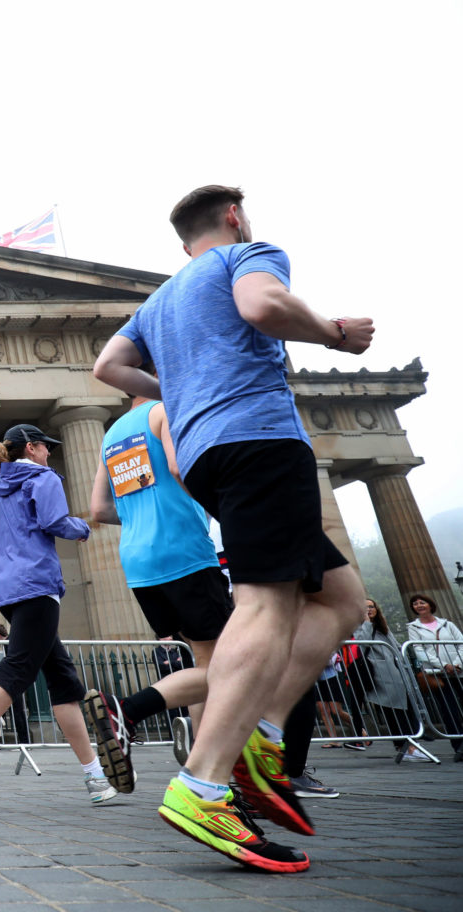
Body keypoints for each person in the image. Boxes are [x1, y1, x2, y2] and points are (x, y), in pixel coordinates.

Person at [92, 185, 373, 872]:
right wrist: (336, 334)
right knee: (266, 603)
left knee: (341, 600)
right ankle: (205, 780)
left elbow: (107, 367)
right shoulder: (246, 255)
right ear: (233, 219)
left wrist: (181, 391)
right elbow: (263, 305)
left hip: (208, 452)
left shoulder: (157, 304)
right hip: (258, 436)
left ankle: (261, 731)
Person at [0, 424, 116, 809]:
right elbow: (55, 521)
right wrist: (81, 528)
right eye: (46, 447)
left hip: (11, 589)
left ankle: (95, 777)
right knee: (18, 667)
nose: (50, 453)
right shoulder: (42, 477)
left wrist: (5, 554)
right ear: (31, 448)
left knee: (63, 680)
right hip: (37, 584)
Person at [83, 390, 233, 792]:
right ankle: (128, 710)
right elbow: (179, 468)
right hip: (183, 550)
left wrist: (138, 519)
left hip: (139, 561)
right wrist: (228, 514)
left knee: (204, 666)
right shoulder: (165, 412)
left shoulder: (111, 433)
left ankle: (205, 772)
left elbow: (98, 509)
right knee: (229, 668)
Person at [355, 598, 423, 762]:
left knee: (407, 710)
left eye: (371, 607)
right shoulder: (357, 627)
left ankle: (411, 746)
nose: (369, 610)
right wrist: (365, 622)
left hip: (398, 674)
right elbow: (360, 644)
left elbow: (397, 648)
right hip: (381, 675)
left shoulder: (382, 628)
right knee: (393, 712)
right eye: (364, 608)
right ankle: (405, 747)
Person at [406, 593, 463, 761]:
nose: (419, 605)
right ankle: (459, 746)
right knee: (449, 711)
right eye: (415, 604)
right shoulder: (413, 627)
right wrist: (443, 666)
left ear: (430, 604)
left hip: (458, 671)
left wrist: (457, 664)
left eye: (422, 602)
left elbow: (461, 643)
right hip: (436, 674)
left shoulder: (448, 624)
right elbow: (419, 651)